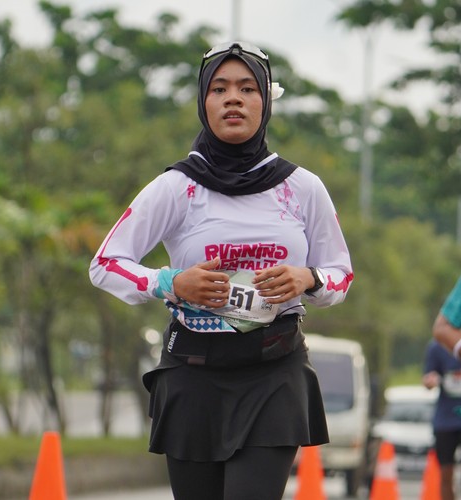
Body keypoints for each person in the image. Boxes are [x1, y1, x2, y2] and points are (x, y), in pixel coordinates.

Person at [89, 41, 354, 500]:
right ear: (203, 102)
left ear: (265, 102)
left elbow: (341, 273)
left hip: (275, 371)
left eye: (247, 88)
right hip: (193, 373)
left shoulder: (302, 188)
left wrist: (308, 278)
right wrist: (170, 282)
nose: (234, 99)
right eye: (220, 89)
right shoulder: (177, 187)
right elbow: (105, 264)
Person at [422, 268, 461, 500]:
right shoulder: (437, 347)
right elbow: (428, 377)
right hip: (446, 417)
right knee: (445, 474)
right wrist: (431, 381)